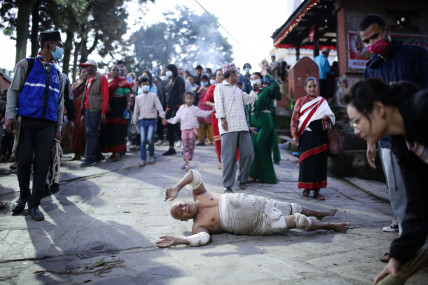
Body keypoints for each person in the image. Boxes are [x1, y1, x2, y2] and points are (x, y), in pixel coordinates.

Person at [342, 79, 428, 285]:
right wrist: (398, 255)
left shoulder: (423, 107)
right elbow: (417, 204)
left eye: (356, 121)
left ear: (379, 109)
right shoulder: (403, 145)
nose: (355, 130)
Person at [359, 14, 428, 236]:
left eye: (375, 36)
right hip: (389, 141)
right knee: (397, 192)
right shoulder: (370, 69)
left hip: (419, 135)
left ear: (387, 32)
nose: (371, 44)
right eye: (366, 41)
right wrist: (371, 143)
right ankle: (407, 244)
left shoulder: (415, 55)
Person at [156, 169, 349, 248]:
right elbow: (202, 239)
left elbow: (194, 174)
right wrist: (178, 240)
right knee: (299, 220)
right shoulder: (198, 226)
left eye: (180, 204)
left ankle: (321, 213)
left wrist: (176, 187)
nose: (182, 208)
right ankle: (329, 225)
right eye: (179, 213)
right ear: (183, 220)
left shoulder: (199, 195)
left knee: (293, 207)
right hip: (258, 224)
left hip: (259, 203)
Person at [6, 30, 65, 221]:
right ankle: (24, 196)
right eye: (59, 44)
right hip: (26, 121)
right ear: (48, 45)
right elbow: (13, 91)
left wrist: (58, 128)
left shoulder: (59, 75)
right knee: (23, 161)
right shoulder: (26, 65)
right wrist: (10, 116)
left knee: (42, 165)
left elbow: (60, 104)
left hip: (47, 125)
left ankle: (35, 204)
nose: (61, 49)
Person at [214, 63, 258, 192]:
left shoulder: (238, 90)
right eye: (236, 74)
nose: (237, 77)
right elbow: (218, 104)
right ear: (232, 74)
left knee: (249, 153)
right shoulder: (220, 88)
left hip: (242, 127)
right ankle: (227, 185)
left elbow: (249, 99)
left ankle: (242, 179)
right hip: (228, 126)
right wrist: (222, 119)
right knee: (229, 157)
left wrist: (254, 89)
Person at [290, 77, 335, 201]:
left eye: (314, 86)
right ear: (305, 88)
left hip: (320, 136)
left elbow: (332, 116)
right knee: (306, 163)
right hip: (306, 136)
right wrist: (294, 136)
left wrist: (328, 117)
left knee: (319, 164)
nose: (312, 88)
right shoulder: (300, 101)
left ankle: (317, 191)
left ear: (317, 87)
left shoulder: (322, 101)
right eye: (309, 86)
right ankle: (306, 187)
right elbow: (294, 119)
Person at [162, 92, 213, 170]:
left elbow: (203, 114)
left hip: (192, 130)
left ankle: (187, 161)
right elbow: (176, 118)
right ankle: (188, 163)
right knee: (185, 146)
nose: (189, 100)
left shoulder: (195, 109)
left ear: (193, 100)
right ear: (184, 99)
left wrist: (211, 111)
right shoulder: (181, 108)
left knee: (191, 146)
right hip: (184, 130)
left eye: (191, 98)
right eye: (187, 98)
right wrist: (168, 121)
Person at [247, 70, 281, 184]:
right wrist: (249, 126)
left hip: (265, 122)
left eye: (256, 78)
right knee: (255, 149)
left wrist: (268, 76)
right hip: (254, 124)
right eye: (251, 79)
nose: (253, 80)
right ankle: (259, 175)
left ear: (261, 80)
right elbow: (248, 112)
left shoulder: (266, 90)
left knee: (259, 146)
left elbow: (276, 87)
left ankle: (266, 176)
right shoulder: (250, 94)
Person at [80, 59, 109, 167]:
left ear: (94, 67)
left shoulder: (102, 78)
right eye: (85, 66)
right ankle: (98, 155)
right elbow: (85, 96)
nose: (86, 68)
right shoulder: (88, 79)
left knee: (91, 132)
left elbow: (105, 96)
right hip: (87, 110)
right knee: (89, 133)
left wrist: (103, 112)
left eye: (88, 66)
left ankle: (89, 158)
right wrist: (83, 113)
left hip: (95, 109)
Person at [99, 65, 131, 161]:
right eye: (114, 70)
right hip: (109, 107)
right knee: (110, 129)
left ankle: (118, 152)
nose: (116, 71)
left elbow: (128, 95)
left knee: (119, 130)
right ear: (110, 72)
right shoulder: (107, 82)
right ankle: (112, 151)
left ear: (120, 72)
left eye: (118, 70)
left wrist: (128, 105)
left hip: (120, 107)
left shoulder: (124, 82)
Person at [133, 77, 165, 167]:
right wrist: (134, 122)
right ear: (140, 86)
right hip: (142, 121)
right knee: (143, 140)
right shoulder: (138, 98)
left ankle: (152, 156)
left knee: (149, 139)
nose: (145, 86)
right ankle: (142, 159)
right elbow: (136, 111)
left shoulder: (154, 96)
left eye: (147, 84)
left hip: (151, 120)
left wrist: (163, 117)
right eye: (143, 84)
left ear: (150, 85)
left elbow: (159, 107)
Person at [203, 69, 224, 169]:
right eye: (218, 75)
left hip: (229, 115)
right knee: (218, 139)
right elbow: (205, 101)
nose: (220, 77)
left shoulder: (229, 87)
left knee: (229, 138)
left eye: (222, 75)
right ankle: (221, 161)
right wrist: (214, 104)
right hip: (216, 116)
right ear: (215, 77)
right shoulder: (212, 87)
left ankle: (232, 160)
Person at [162, 64, 185, 156]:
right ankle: (171, 148)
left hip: (177, 107)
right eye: (165, 70)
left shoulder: (179, 79)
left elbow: (182, 94)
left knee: (177, 127)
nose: (166, 72)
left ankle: (185, 147)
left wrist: (181, 107)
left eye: (168, 70)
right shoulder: (169, 81)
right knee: (170, 128)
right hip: (169, 108)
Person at [71, 68, 89, 161]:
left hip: (85, 108)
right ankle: (76, 153)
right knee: (76, 130)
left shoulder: (89, 84)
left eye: (87, 72)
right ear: (80, 74)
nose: (85, 73)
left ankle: (85, 152)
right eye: (83, 72)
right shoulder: (75, 85)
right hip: (75, 109)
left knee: (84, 130)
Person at [196, 75, 213, 146]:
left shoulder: (211, 88)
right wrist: (199, 91)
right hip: (200, 108)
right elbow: (194, 96)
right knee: (200, 124)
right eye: (202, 81)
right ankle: (201, 140)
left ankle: (210, 139)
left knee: (210, 124)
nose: (203, 82)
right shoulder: (198, 88)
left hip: (209, 107)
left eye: (204, 81)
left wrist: (207, 90)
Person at [155, 70, 168, 146]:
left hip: (168, 105)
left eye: (165, 74)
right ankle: (160, 139)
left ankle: (171, 139)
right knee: (159, 122)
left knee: (170, 122)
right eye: (162, 74)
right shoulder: (159, 84)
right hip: (160, 105)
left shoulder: (170, 83)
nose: (164, 76)